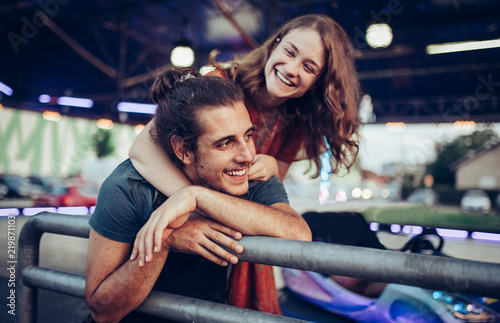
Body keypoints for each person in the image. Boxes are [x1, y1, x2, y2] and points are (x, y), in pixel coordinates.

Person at [128, 13, 360, 314]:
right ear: (274, 45)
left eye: (308, 67)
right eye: (289, 52)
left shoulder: (297, 119)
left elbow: (273, 195)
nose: (291, 69)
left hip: (232, 238)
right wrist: (194, 204)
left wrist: (273, 166)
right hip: (183, 225)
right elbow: (142, 150)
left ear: (318, 82)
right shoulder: (218, 82)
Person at [84, 68, 312, 322]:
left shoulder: (247, 177)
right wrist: (164, 241)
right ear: (184, 150)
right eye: (225, 143)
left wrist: (196, 196)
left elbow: (299, 233)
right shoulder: (127, 189)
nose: (247, 155)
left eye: (248, 135)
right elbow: (102, 310)